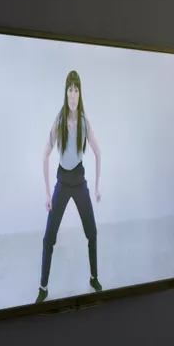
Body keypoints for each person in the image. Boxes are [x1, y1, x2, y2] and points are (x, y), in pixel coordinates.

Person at [38, 70, 103, 303]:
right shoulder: (59, 122)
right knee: (49, 237)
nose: (73, 95)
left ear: (80, 94)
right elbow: (45, 155)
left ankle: (94, 277)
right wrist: (48, 193)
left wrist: (97, 186)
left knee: (92, 232)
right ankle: (43, 288)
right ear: (65, 93)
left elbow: (98, 152)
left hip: (79, 180)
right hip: (63, 182)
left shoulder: (84, 122)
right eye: (70, 90)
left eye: (76, 90)